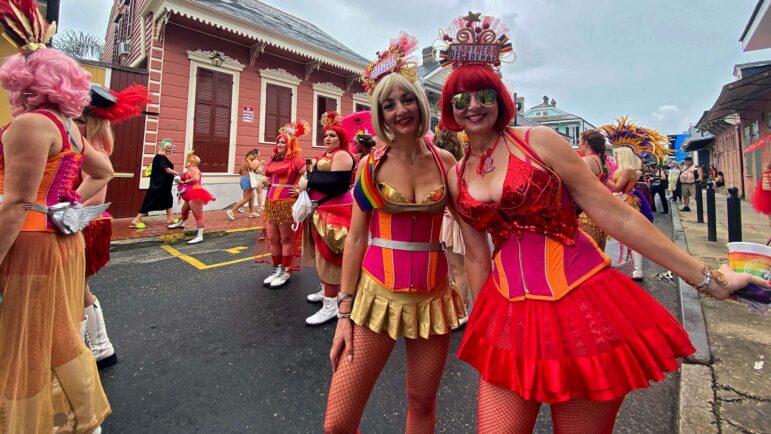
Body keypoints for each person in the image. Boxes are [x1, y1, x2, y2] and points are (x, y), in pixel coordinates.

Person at [436, 12, 768, 434]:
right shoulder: (457, 174)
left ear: (500, 96)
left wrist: (706, 279)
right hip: (508, 312)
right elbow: (477, 257)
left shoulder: (539, 142)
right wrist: (486, 334)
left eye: (483, 93)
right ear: (449, 108)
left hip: (580, 303)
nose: (474, 106)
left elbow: (614, 213)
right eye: (461, 99)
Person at [324, 32, 464, 433]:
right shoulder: (371, 165)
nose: (400, 110)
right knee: (338, 422)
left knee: (421, 404)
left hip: (433, 300)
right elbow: (354, 239)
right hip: (374, 299)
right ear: (380, 114)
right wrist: (344, 313)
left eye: (406, 100)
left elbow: (472, 229)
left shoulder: (446, 161)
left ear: (420, 103)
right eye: (388, 105)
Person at [0, 2, 113, 430]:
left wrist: (52, 209)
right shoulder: (67, 126)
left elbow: (15, 202)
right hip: (59, 240)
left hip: (30, 245)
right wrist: (64, 209)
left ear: (26, 83)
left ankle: (34, 423)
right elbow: (101, 171)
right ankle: (84, 417)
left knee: (24, 340)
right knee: (61, 334)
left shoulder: (31, 125)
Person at [80, 83, 150, 369]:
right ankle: (98, 347)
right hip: (90, 221)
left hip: (86, 223)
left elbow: (95, 193)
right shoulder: (96, 144)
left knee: (75, 290)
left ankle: (91, 349)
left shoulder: (93, 148)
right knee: (77, 289)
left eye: (80, 118)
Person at [300, 111, 355, 325]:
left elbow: (337, 184)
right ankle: (327, 291)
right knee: (322, 255)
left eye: (333, 135)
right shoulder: (326, 155)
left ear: (341, 138)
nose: (328, 138)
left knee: (329, 256)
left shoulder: (341, 155)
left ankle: (331, 305)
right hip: (321, 210)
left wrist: (310, 181)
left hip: (334, 211)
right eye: (326, 135)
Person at [604, 125, 657, 281]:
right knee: (630, 237)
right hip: (627, 200)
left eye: (617, 154)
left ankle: (632, 267)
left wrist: (604, 176)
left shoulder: (627, 171)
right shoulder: (632, 170)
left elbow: (617, 187)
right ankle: (633, 267)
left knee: (627, 237)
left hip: (624, 201)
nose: (616, 157)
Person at [433, 124, 472, 326]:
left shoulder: (451, 165)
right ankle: (457, 307)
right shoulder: (459, 163)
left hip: (452, 220)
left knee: (456, 268)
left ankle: (462, 310)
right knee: (453, 267)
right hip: (448, 219)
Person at [260, 122, 307, 288]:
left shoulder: (296, 161)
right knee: (272, 239)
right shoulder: (274, 159)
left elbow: (309, 175)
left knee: (286, 239)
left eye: (283, 142)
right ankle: (277, 269)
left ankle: (286, 271)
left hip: (286, 204)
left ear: (290, 144)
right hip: (271, 203)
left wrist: (302, 187)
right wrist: (266, 183)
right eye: (278, 141)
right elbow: (271, 179)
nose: (280, 144)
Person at [167, 151, 216, 244]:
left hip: (195, 194)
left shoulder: (193, 169)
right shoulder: (190, 169)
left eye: (187, 161)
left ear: (192, 163)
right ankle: (181, 223)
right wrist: (179, 179)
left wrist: (184, 182)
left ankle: (199, 236)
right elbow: (183, 177)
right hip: (189, 195)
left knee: (198, 216)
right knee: (184, 210)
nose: (186, 162)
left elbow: (196, 178)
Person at [131, 138, 178, 228]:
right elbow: (167, 170)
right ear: (163, 147)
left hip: (164, 186)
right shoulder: (160, 157)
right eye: (168, 148)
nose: (169, 150)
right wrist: (179, 174)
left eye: (170, 148)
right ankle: (136, 220)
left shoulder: (162, 157)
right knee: (150, 202)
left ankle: (170, 219)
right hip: (158, 185)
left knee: (168, 200)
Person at [576, 129, 609, 250]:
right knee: (600, 254)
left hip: (586, 215)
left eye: (580, 141)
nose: (579, 144)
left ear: (587, 144)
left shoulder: (586, 161)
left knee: (586, 257)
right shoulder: (602, 163)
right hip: (599, 214)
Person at [226, 149, 263, 220]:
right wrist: (261, 162)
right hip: (247, 180)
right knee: (247, 198)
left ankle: (252, 212)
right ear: (249, 155)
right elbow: (254, 168)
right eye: (253, 155)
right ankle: (232, 211)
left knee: (251, 197)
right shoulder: (248, 160)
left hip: (243, 179)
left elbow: (241, 171)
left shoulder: (244, 161)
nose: (254, 157)